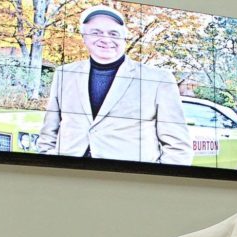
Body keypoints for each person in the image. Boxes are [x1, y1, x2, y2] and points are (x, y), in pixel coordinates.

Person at [37, 5, 193, 165]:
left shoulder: (159, 79)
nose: (105, 39)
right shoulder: (64, 74)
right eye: (96, 32)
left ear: (124, 38)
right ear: (84, 36)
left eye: (113, 34)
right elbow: (49, 133)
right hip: (68, 177)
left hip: (128, 181)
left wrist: (156, 183)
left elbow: (178, 146)